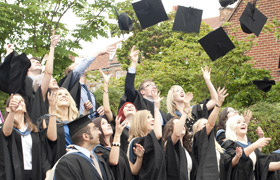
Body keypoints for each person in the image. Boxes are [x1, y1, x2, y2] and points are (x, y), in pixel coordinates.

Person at [1, 93, 57, 180]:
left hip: (34, 173)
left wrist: (47, 172)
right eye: (15, 101)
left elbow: (42, 155)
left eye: (21, 101)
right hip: (14, 174)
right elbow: (6, 132)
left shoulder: (33, 131)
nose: (19, 102)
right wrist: (12, 112)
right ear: (8, 108)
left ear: (25, 108)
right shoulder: (7, 129)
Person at [54, 114, 114, 180]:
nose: (99, 132)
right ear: (86, 136)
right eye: (95, 129)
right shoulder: (67, 163)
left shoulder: (98, 159)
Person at [59, 47, 113, 119]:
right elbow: (78, 71)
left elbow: (94, 110)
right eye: (77, 66)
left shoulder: (88, 92)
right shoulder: (72, 85)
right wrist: (97, 53)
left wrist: (100, 109)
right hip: (79, 124)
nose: (82, 66)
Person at [222, 115, 280, 180]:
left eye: (244, 122)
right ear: (232, 127)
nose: (243, 123)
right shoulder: (228, 144)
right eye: (238, 122)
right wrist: (255, 145)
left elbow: (264, 165)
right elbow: (231, 164)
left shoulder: (250, 144)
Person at [121, 46, 167, 127]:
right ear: (142, 91)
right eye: (149, 85)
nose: (154, 87)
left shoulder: (162, 112)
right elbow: (129, 87)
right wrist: (134, 63)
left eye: (154, 85)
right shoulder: (138, 100)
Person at [166, 66, 218, 134]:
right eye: (177, 91)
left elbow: (215, 101)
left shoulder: (195, 109)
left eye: (182, 90)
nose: (181, 92)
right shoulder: (170, 116)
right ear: (172, 97)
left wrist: (207, 80)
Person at [127, 90, 166, 180]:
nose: (153, 120)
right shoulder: (138, 141)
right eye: (148, 117)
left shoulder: (148, 139)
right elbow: (158, 135)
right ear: (140, 122)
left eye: (152, 117)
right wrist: (156, 109)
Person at [192, 87, 228, 180]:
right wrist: (218, 104)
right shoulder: (198, 138)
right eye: (203, 125)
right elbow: (210, 124)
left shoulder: (217, 147)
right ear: (197, 129)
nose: (206, 126)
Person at [162, 92, 197, 180]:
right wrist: (185, 110)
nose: (182, 127)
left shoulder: (187, 148)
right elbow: (177, 134)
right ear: (171, 129)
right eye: (177, 125)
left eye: (182, 125)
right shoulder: (169, 144)